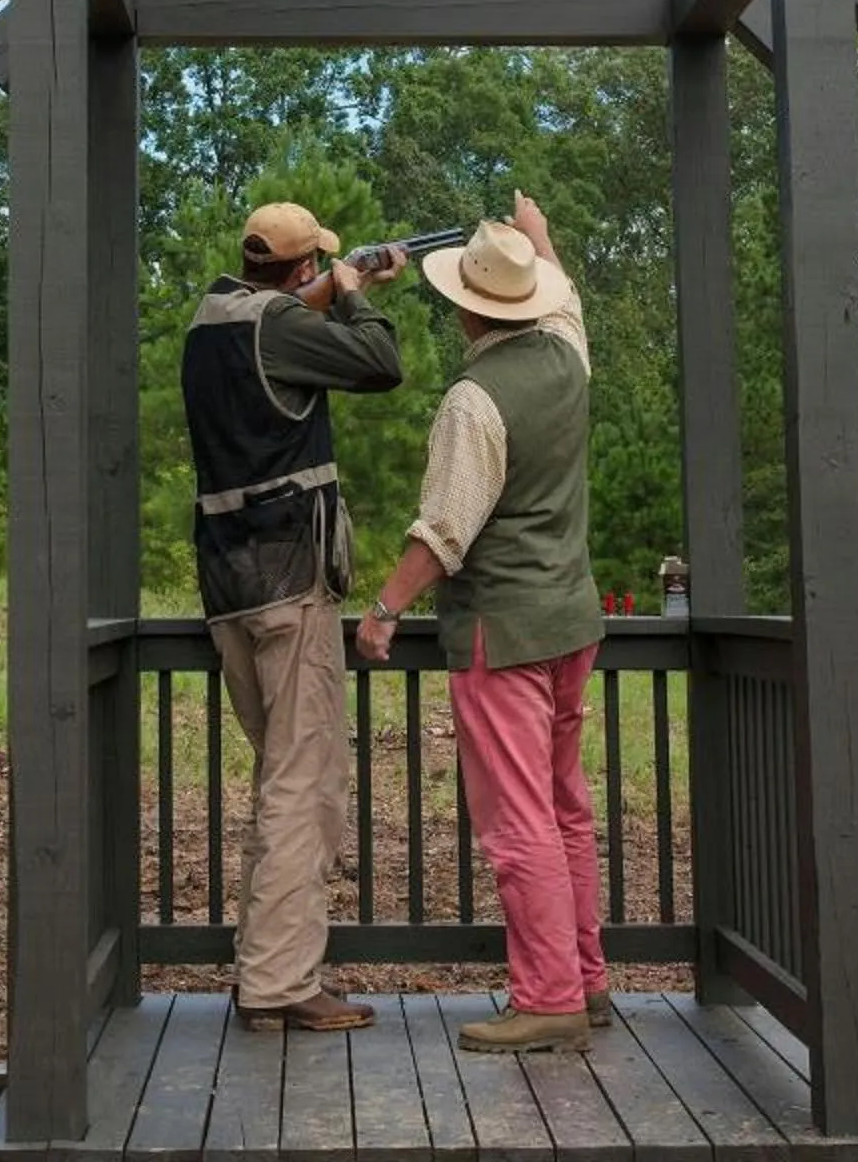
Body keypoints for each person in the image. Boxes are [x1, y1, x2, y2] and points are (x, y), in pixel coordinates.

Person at [354, 194, 606, 1054]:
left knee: (518, 822)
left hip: (502, 630)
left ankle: (547, 997)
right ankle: (586, 980)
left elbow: (443, 532)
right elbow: (564, 290)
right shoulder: (569, 353)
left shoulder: (474, 399)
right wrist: (537, 234)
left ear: (468, 307)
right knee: (566, 809)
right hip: (572, 619)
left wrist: (384, 610)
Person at [181, 201, 408, 1032]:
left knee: (282, 780)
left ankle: (269, 971)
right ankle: (278, 987)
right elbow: (383, 363)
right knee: (298, 788)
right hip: (288, 582)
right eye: (320, 265)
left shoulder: (212, 318)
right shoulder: (281, 323)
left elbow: (269, 323)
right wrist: (356, 295)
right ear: (304, 267)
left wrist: (331, 289)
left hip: (229, 584)